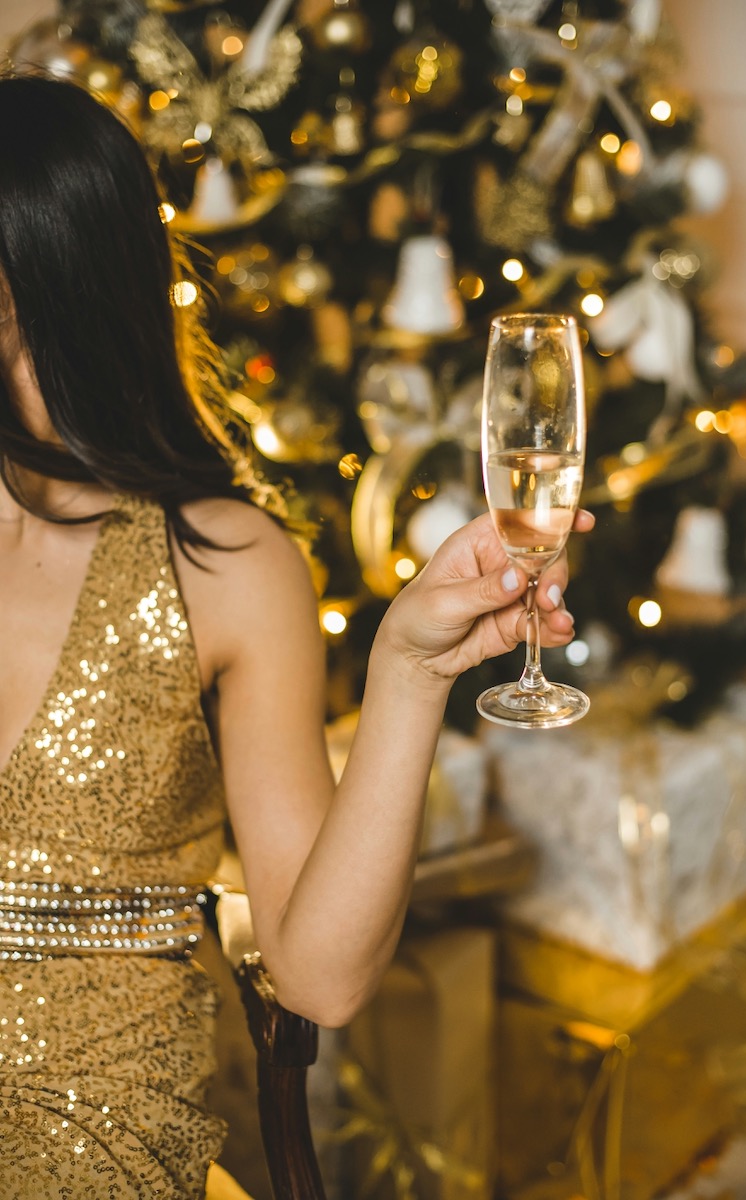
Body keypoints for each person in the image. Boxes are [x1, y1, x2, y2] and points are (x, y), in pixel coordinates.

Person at [0, 74, 593, 1198]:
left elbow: (319, 979)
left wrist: (407, 670)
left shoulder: (223, 564)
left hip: (84, 1118)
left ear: (56, 289)